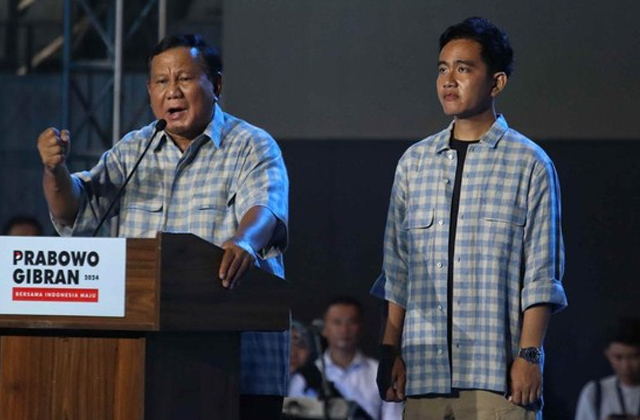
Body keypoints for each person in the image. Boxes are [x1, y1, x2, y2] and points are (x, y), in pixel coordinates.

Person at [36, 34, 289, 420]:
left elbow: (265, 207)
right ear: (150, 91)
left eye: (184, 78)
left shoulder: (251, 144)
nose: (172, 91)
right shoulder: (132, 150)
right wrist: (55, 171)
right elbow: (75, 211)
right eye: (161, 81)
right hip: (147, 367)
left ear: (216, 85)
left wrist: (244, 241)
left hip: (237, 366)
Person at [371, 17, 568, 420]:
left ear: (497, 83)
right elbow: (397, 271)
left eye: (463, 69)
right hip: (424, 376)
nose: (448, 80)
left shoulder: (529, 163)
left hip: (498, 377)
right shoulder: (414, 163)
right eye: (443, 69)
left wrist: (530, 356)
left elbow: (541, 275)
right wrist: (389, 350)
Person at [288, 296, 403, 420]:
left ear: (361, 327)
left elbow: (393, 416)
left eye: (351, 322)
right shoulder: (304, 378)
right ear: (324, 328)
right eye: (337, 322)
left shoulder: (379, 373)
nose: (344, 330)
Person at [575, 318, 640, 420]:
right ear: (607, 354)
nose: (626, 366)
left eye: (634, 357)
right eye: (618, 357)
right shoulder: (595, 392)